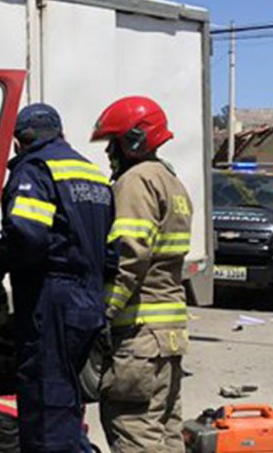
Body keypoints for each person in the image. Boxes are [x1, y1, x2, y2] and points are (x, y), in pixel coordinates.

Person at [0, 104, 112, 452]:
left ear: (19, 142)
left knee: (47, 404)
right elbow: (113, 249)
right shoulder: (92, 174)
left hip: (53, 299)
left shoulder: (35, 169)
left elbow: (27, 236)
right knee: (66, 400)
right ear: (61, 134)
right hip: (88, 299)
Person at [90, 96, 191, 453]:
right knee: (165, 430)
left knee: (133, 429)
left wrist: (103, 312)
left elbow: (129, 254)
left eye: (112, 143)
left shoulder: (135, 181)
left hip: (139, 334)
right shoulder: (172, 182)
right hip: (169, 336)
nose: (108, 153)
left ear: (132, 140)